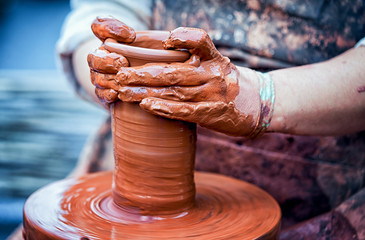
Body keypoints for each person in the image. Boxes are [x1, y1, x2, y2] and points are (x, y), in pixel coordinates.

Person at [56, 0, 365, 239]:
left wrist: (261, 97)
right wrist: (116, 74)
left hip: (326, 154)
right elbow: (104, 12)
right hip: (133, 146)